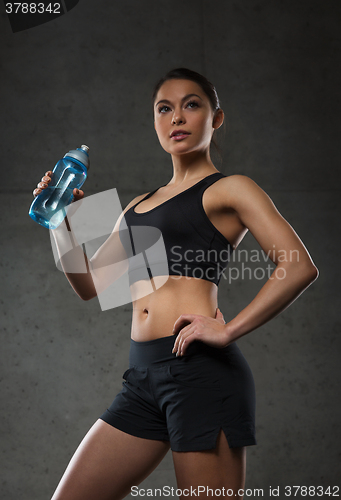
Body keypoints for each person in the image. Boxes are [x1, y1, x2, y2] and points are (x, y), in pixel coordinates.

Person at [33, 68, 318, 500]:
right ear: (155, 121)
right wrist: (60, 222)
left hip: (200, 373)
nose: (177, 118)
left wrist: (228, 329)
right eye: (164, 108)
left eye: (192, 105)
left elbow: (298, 266)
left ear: (215, 118)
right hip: (141, 379)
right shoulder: (136, 205)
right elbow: (90, 285)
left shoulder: (230, 188)